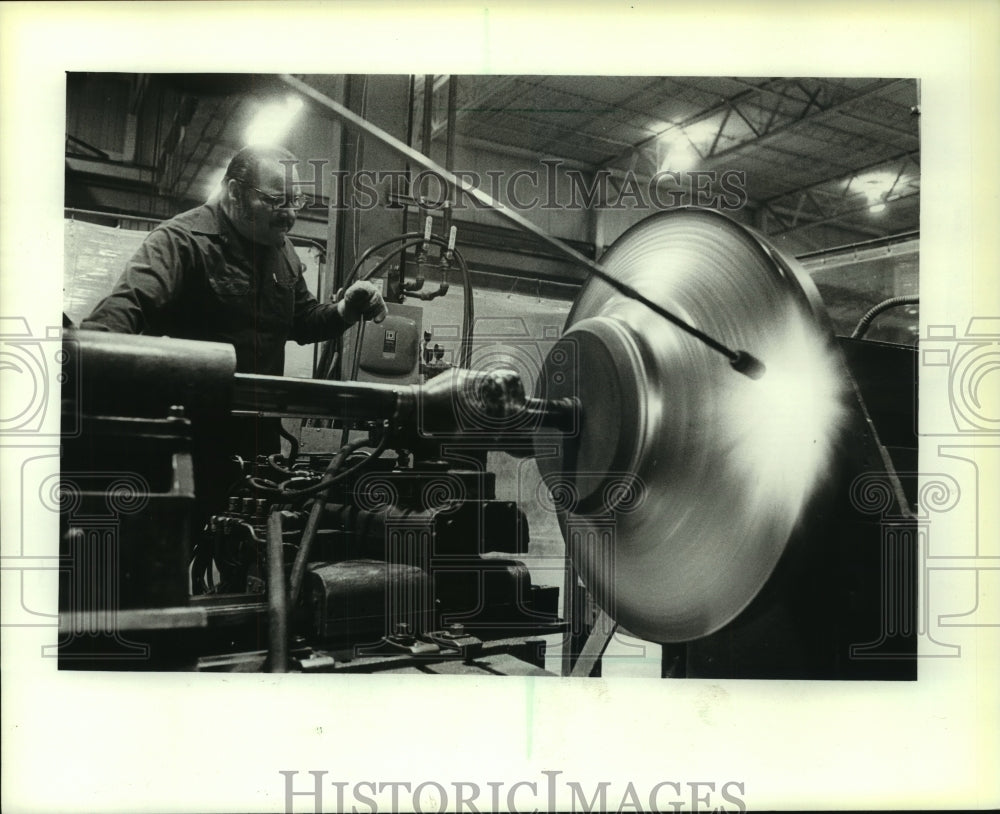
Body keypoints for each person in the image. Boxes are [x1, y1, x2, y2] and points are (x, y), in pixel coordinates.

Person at [82, 144, 387, 458]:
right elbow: (127, 307)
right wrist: (87, 360)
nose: (291, 215)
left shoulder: (282, 251)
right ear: (234, 192)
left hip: (259, 438)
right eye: (275, 200)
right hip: (190, 440)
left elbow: (302, 320)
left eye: (295, 200)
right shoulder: (180, 242)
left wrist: (345, 310)